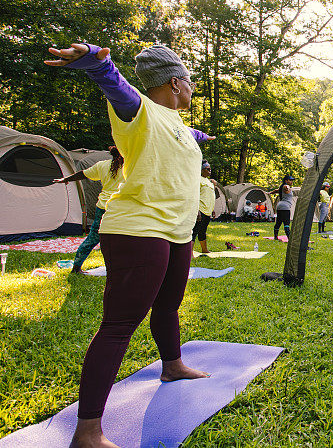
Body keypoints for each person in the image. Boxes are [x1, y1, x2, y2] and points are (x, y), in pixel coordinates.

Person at [46, 42, 215, 448]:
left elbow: (182, 136)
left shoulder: (174, 121)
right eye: (189, 83)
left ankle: (172, 365)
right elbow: (116, 86)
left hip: (177, 231)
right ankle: (87, 432)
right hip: (139, 229)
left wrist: (199, 133)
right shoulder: (137, 108)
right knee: (119, 326)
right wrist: (97, 63)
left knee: (169, 305)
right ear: (175, 82)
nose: (192, 90)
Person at [53, 146, 124, 273]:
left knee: (92, 238)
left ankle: (76, 268)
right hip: (120, 209)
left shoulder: (102, 165)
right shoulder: (130, 167)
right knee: (121, 238)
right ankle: (120, 267)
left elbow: (83, 174)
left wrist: (66, 179)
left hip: (103, 207)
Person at [192, 160, 215, 254]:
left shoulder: (209, 182)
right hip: (200, 209)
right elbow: (194, 195)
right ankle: (190, 253)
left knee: (203, 231)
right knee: (195, 231)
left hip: (208, 210)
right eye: (207, 169)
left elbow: (210, 196)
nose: (210, 170)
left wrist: (212, 209)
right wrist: (196, 210)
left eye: (210, 168)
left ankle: (204, 249)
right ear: (201, 170)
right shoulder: (197, 180)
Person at [270, 175, 295, 240]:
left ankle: (275, 237)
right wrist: (287, 187)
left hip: (280, 206)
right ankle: (290, 239)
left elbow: (276, 190)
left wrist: (269, 193)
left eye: (292, 180)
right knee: (286, 223)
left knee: (278, 222)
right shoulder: (285, 186)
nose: (291, 181)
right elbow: (285, 187)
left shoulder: (281, 187)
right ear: (286, 181)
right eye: (290, 180)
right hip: (285, 207)